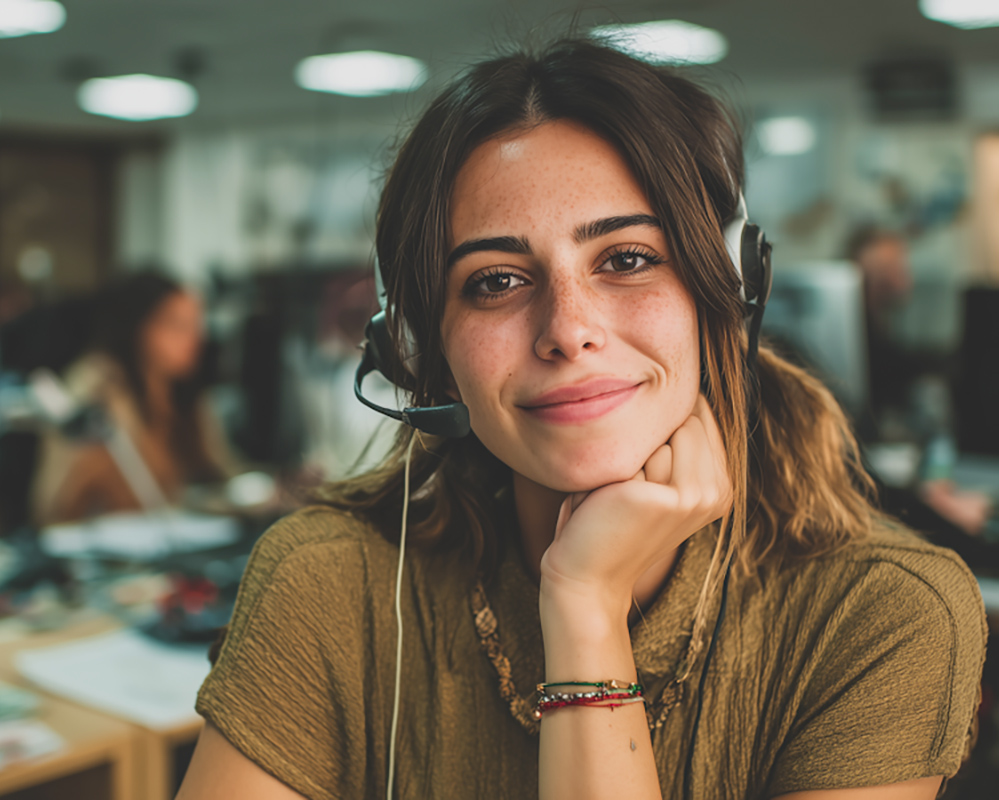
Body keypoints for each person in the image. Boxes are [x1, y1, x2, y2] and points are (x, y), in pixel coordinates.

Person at [178, 39, 986, 800]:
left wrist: (583, 606)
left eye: (627, 260)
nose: (567, 329)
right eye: (494, 280)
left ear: (729, 292)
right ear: (419, 349)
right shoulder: (326, 580)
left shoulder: (882, 616)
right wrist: (582, 593)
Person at [32, 271, 233, 523]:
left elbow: (224, 470)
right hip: (110, 539)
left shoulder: (183, 394)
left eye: (197, 324)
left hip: (179, 533)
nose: (195, 339)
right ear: (140, 326)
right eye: (178, 325)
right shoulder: (97, 386)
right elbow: (56, 503)